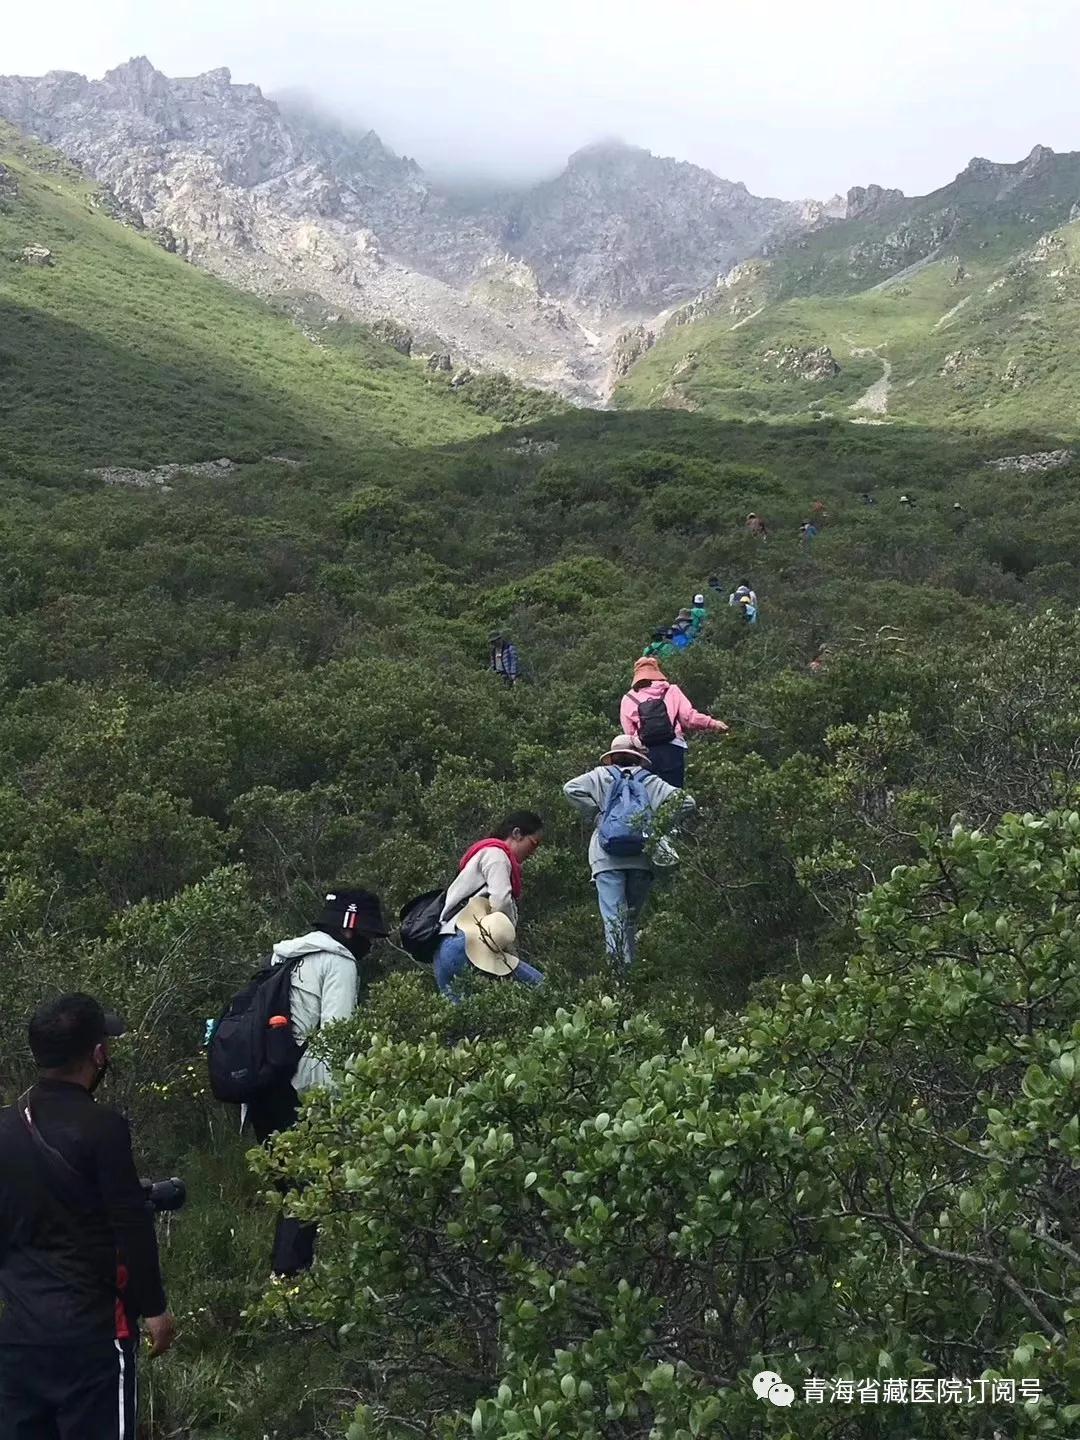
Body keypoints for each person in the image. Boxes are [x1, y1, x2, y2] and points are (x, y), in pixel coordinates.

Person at [0, 993, 175, 1439]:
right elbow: (130, 1224)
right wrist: (155, 1309)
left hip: (20, 1333)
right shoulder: (103, 1128)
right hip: (94, 1334)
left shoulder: (6, 1126)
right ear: (97, 1054)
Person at [249, 887, 389, 1275]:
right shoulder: (339, 964)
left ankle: (281, 1279)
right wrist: (336, 1108)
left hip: (262, 1087)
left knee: (289, 1189)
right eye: (369, 935)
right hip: (298, 1091)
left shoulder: (287, 957)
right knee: (308, 1189)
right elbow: (335, 1041)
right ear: (350, 930)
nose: (370, 944)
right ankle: (292, 1282)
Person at [563, 735, 696, 966]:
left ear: (612, 757)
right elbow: (687, 803)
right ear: (638, 757)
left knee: (613, 920)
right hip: (642, 856)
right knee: (630, 920)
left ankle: (618, 980)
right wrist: (657, 824)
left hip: (605, 857)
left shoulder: (599, 776)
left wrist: (597, 815)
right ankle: (631, 973)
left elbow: (570, 788)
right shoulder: (650, 781)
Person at [434, 813, 544, 1000]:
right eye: (533, 843)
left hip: (442, 949)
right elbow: (500, 901)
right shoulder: (497, 855)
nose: (533, 852)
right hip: (468, 943)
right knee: (542, 988)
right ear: (517, 834)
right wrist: (508, 947)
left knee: (462, 1020)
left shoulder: (477, 857)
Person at [619, 656, 728, 788]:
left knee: (648, 795)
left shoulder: (628, 698)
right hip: (672, 749)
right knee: (673, 795)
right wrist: (713, 723)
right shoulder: (671, 690)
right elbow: (688, 717)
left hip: (645, 753)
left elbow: (629, 733)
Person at [436, 898, 543, 1003]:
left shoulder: (458, 931)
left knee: (458, 1009)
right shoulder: (469, 952)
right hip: (458, 956)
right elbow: (523, 973)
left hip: (440, 951)